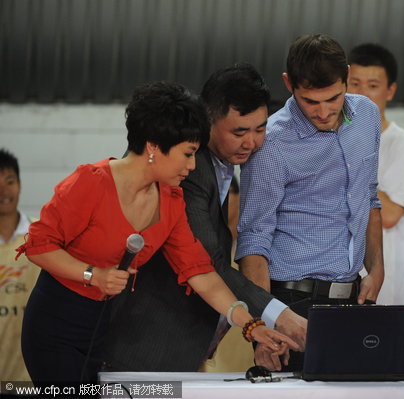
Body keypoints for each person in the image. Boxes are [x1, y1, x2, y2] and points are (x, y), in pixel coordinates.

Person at [17, 81, 297, 385]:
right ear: (153, 147)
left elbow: (200, 272)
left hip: (102, 330)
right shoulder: (90, 182)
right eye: (188, 154)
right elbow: (38, 245)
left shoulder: (171, 200)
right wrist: (92, 275)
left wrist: (251, 326)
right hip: (56, 324)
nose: (192, 166)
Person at [104, 65, 305, 373]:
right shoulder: (188, 168)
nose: (251, 142)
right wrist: (278, 314)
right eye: (239, 132)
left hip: (183, 346)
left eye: (260, 129)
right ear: (207, 119)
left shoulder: (219, 166)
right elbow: (207, 263)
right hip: (147, 346)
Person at [236, 33, 384, 371]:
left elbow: (369, 196)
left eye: (333, 98)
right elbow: (252, 240)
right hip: (292, 304)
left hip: (355, 297)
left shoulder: (367, 117)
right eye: (309, 101)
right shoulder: (271, 144)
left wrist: (377, 268)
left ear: (347, 77)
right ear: (289, 84)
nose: (323, 112)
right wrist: (265, 325)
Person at [347, 43, 404, 305]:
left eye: (373, 85)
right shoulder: (329, 138)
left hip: (385, 287)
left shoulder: (403, 143)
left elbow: (389, 215)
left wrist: (350, 165)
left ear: (390, 91)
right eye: (354, 84)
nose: (362, 94)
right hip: (340, 278)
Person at [0, 149, 40, 382]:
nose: (4, 191)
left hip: (30, 372)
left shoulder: (40, 234)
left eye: (10, 181)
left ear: (20, 185)